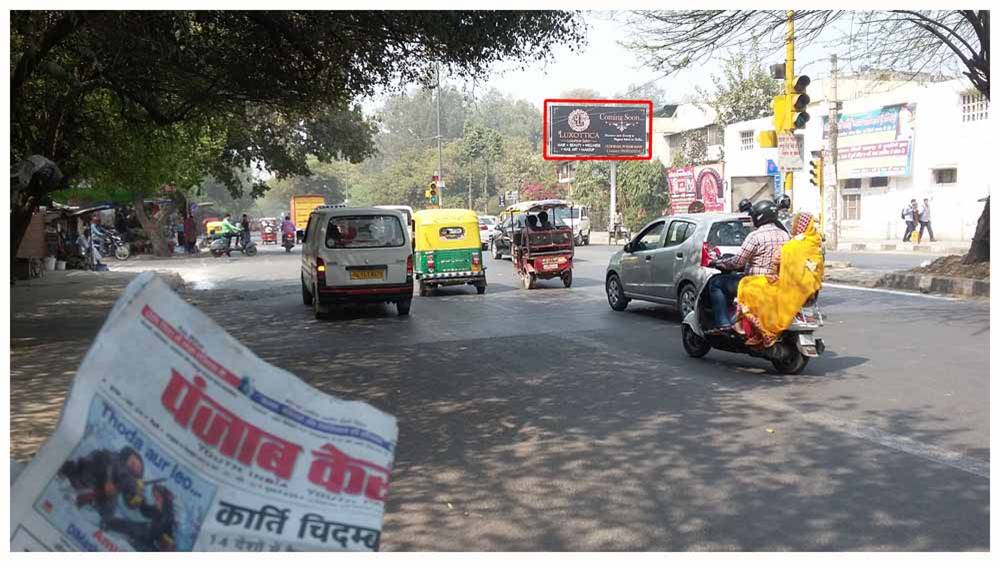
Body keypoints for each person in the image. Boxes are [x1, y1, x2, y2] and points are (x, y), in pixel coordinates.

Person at [733, 212, 825, 348]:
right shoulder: (815, 244)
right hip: (809, 292)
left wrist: (772, 273)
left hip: (790, 289)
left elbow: (777, 265)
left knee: (747, 285)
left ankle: (759, 331)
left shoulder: (792, 245)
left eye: (795, 224)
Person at [705, 199, 790, 334]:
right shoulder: (785, 235)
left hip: (755, 282)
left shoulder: (756, 236)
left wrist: (716, 262)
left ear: (759, 216)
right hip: (776, 283)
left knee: (715, 283)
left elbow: (737, 262)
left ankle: (723, 324)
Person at [58, 446, 146, 521]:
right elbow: (110, 460)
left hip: (99, 493)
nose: (135, 467)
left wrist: (137, 497)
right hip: (92, 472)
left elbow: (130, 503)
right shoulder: (115, 458)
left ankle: (83, 502)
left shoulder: (132, 482)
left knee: (108, 512)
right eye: (133, 463)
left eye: (138, 467)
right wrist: (109, 480)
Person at [103, 483, 177, 551]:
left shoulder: (167, 516)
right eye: (155, 498)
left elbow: (151, 533)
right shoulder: (158, 510)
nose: (156, 501)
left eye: (158, 498)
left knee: (128, 528)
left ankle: (108, 523)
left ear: (164, 499)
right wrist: (140, 496)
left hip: (153, 544)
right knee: (126, 527)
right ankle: (108, 523)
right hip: (148, 537)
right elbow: (145, 511)